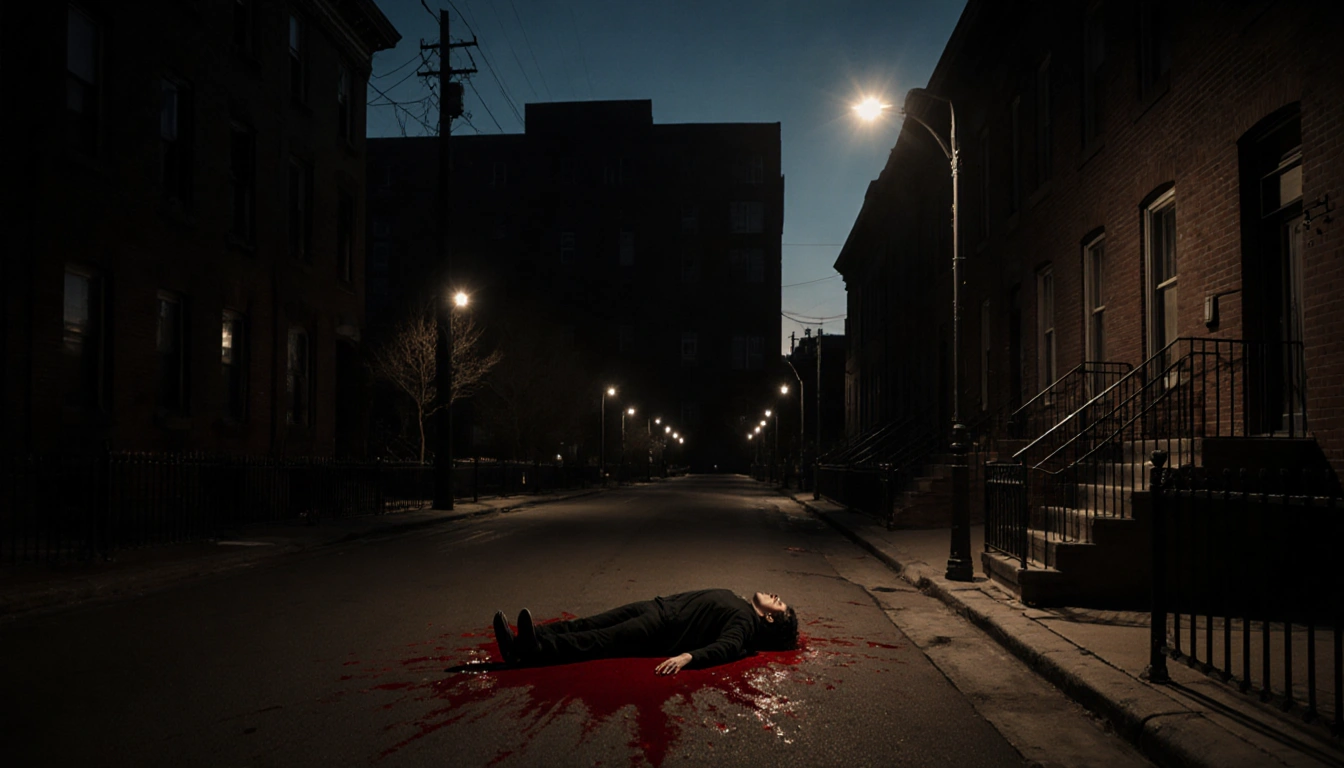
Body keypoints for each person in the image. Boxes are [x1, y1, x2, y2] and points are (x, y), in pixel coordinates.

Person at [492, 589, 799, 675]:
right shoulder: (742, 604)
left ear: (771, 620)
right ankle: (532, 635)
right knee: (589, 623)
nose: (775, 596)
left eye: (779, 603)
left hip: (658, 627)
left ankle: (529, 653)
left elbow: (728, 647)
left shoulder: (745, 622)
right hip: (655, 607)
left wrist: (688, 657)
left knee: (597, 641)